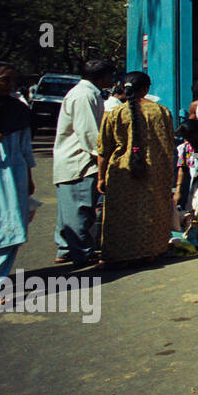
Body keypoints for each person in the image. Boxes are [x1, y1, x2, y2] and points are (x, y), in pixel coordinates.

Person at [97, 71, 175, 266]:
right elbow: (169, 143)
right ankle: (151, 251)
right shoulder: (162, 112)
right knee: (152, 210)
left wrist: (100, 177)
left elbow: (103, 149)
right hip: (154, 170)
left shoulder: (115, 113)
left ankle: (120, 254)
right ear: (147, 89)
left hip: (122, 171)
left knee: (122, 213)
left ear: (124, 88)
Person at [52, 59, 114, 265]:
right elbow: (89, 133)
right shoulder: (85, 95)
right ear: (101, 76)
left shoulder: (86, 93)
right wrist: (103, 158)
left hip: (73, 161)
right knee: (80, 210)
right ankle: (83, 254)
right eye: (109, 75)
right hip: (79, 161)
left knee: (69, 211)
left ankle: (66, 249)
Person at [0, 62, 35, 280]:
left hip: (14, 176)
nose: (10, 85)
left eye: (13, 81)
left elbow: (25, 148)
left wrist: (29, 178)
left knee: (12, 227)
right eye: (4, 80)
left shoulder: (19, 110)